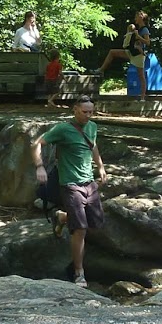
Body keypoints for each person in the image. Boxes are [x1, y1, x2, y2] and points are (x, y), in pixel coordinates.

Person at [31, 96, 107, 287]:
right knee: (80, 229)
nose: (88, 116)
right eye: (84, 112)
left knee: (95, 223)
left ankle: (63, 217)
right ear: (75, 110)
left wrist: (101, 167)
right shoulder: (62, 129)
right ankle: (79, 272)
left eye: (91, 112)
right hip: (70, 183)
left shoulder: (92, 127)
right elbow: (37, 144)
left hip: (89, 181)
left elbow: (93, 145)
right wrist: (39, 167)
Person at [98, 10, 152, 96]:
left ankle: (142, 97)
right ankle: (101, 70)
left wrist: (138, 37)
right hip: (131, 52)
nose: (135, 19)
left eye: (136, 17)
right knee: (112, 52)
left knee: (141, 76)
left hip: (138, 55)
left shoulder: (144, 29)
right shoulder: (138, 28)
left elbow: (148, 42)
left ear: (141, 17)